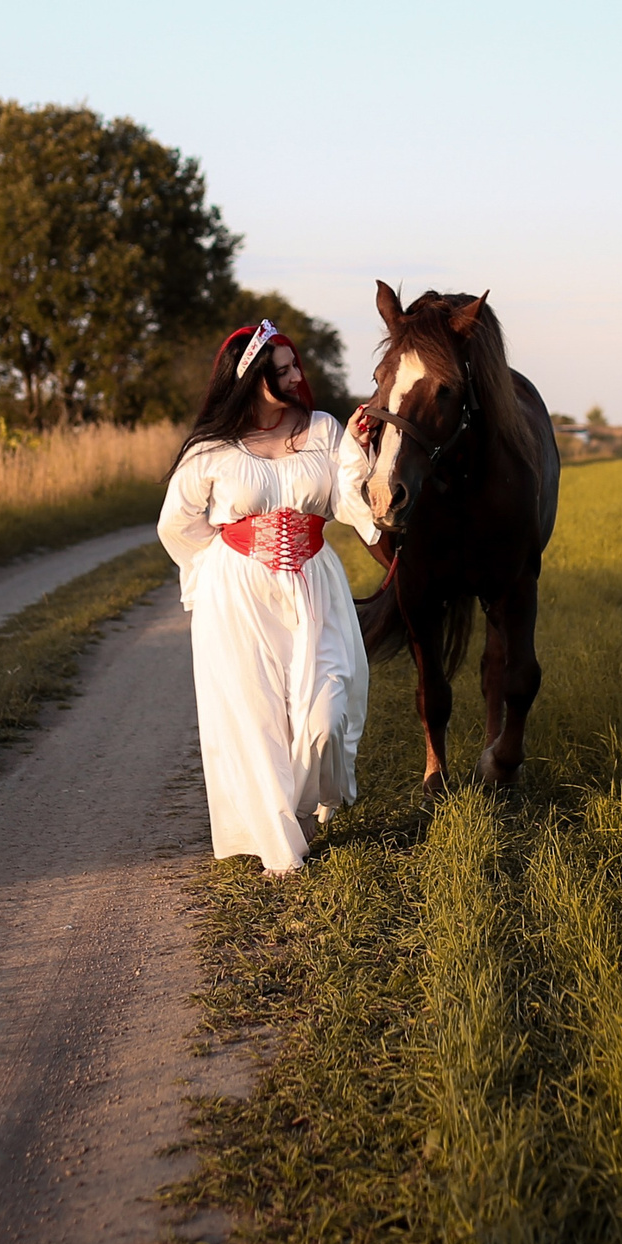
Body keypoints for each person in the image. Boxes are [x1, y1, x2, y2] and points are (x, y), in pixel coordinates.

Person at [157, 318, 380, 876]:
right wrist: (213, 571)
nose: (297, 376)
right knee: (257, 720)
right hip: (239, 596)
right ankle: (282, 847)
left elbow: (351, 502)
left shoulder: (324, 429)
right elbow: (175, 524)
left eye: (294, 364)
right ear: (254, 378)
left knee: (325, 714)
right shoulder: (211, 450)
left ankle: (302, 810)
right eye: (282, 370)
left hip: (314, 587)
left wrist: (355, 449)